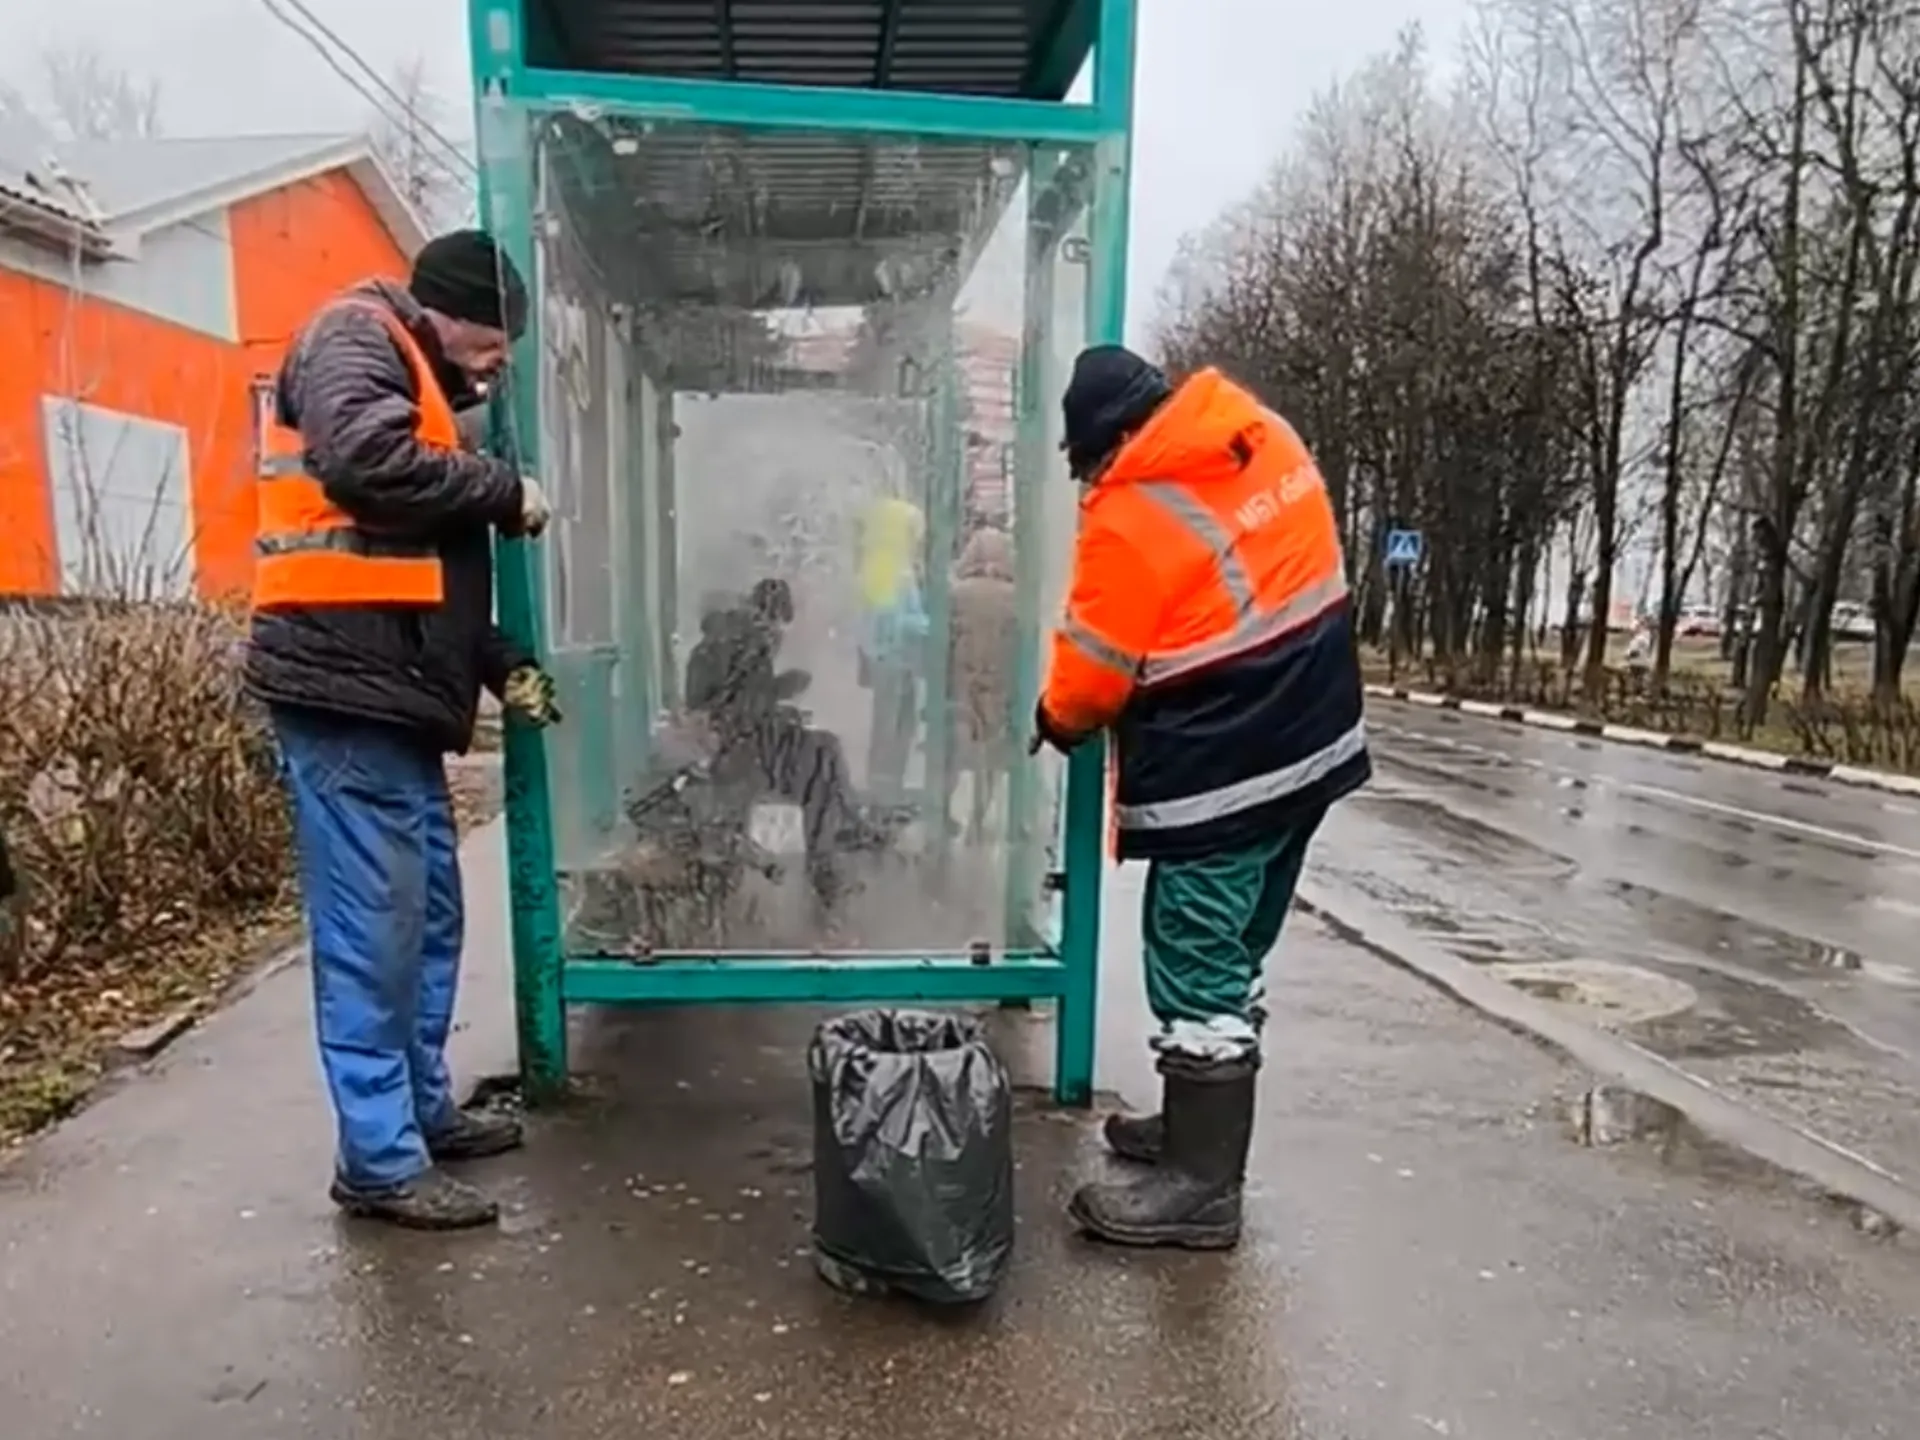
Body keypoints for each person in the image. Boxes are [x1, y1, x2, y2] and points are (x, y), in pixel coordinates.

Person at [245, 229, 562, 1231]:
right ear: (454, 312)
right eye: (498, 340)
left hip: (387, 700)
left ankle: (418, 1116)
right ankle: (377, 1160)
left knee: (425, 922)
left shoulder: (412, 375)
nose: (501, 363)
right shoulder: (354, 335)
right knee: (371, 934)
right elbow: (362, 464)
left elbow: (418, 579)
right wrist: (505, 491)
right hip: (343, 700)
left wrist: (499, 659)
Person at [1033, 345, 1371, 1251]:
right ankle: (1192, 1131)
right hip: (1316, 742)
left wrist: (1054, 719)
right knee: (1237, 944)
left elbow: (1091, 682)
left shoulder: (1135, 509)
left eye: (1084, 466)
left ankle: (1202, 1186)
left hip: (1226, 764)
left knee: (1196, 954)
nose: (1087, 483)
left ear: (1104, 446)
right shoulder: (1262, 441)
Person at [684, 578, 893, 917]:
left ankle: (847, 825)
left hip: (736, 750)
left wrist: (778, 704)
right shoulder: (752, 642)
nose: (779, 631)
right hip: (746, 756)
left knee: (824, 752)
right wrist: (782, 693)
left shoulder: (711, 649)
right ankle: (827, 861)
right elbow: (741, 712)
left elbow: (728, 704)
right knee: (825, 758)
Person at [947, 526, 1019, 842]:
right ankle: (980, 813)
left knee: (956, 744)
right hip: (998, 678)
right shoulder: (1015, 596)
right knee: (991, 750)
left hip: (961, 675)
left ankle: (945, 807)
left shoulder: (957, 593)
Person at [856, 493, 929, 796]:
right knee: (892, 724)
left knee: (896, 722)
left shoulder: (879, 567)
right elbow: (894, 621)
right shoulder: (893, 572)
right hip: (893, 659)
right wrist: (929, 625)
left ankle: (886, 781)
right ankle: (884, 786)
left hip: (890, 659)